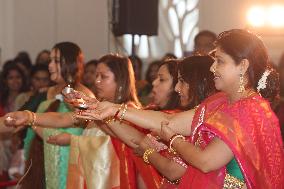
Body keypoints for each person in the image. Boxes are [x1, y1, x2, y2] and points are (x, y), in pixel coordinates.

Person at [71, 29, 283, 188]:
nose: (212, 68)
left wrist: (173, 140)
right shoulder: (220, 103)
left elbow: (207, 161)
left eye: (219, 61)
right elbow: (168, 121)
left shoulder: (248, 110)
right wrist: (115, 110)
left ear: (243, 66)